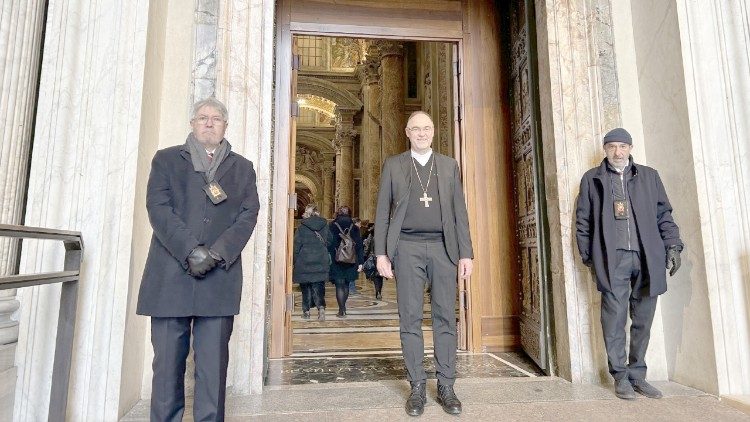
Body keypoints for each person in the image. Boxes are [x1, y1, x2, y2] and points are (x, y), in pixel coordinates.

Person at [136, 97, 260, 421]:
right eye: (203, 117)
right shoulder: (166, 160)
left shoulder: (243, 168)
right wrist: (191, 250)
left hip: (219, 278)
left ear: (225, 126)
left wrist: (216, 253)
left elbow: (248, 215)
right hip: (169, 278)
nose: (209, 123)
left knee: (213, 369)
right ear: (192, 123)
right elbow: (158, 209)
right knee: (166, 370)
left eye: (216, 118)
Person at [374, 111, 473, 416]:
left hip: (444, 249)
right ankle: (417, 386)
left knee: (445, 316)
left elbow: (459, 212)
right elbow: (381, 211)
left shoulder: (447, 165)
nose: (421, 133)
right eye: (416, 129)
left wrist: (466, 253)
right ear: (407, 132)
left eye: (426, 128)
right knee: (410, 318)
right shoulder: (394, 165)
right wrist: (381, 253)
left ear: (433, 132)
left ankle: (446, 385)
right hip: (407, 247)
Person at [575, 127, 683, 401]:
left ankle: (638, 375)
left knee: (643, 320)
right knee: (613, 320)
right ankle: (620, 376)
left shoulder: (649, 176)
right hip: (613, 260)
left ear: (630, 149)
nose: (617, 152)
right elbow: (583, 222)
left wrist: (673, 245)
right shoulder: (592, 179)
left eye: (623, 146)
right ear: (605, 150)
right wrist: (590, 258)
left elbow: (664, 215)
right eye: (612, 147)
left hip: (647, 258)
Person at [293, 204, 332, 320]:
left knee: (305, 287)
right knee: (319, 285)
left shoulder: (301, 227)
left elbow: (296, 246)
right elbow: (330, 241)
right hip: (320, 259)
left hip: (304, 260)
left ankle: (306, 311)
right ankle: (321, 309)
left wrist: (295, 261)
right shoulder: (325, 225)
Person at [328, 206, 364, 318]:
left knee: (339, 285)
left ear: (338, 213)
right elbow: (359, 246)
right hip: (351, 259)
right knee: (347, 284)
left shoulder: (332, 225)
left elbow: (329, 244)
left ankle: (341, 310)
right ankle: (343, 308)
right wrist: (361, 262)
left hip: (336, 259)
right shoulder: (355, 227)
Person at [362, 223, 384, 300]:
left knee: (375, 276)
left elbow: (366, 248)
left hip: (372, 257)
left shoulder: (370, 237)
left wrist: (365, 256)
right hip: (381, 258)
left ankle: (377, 291)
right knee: (380, 276)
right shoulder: (383, 238)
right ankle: (379, 292)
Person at [349, 217, 363, 295]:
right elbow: (359, 246)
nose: (360, 226)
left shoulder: (347, 228)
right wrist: (361, 261)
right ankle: (351, 289)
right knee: (352, 272)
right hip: (353, 254)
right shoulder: (355, 230)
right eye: (360, 224)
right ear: (356, 223)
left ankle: (349, 288)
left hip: (345, 253)